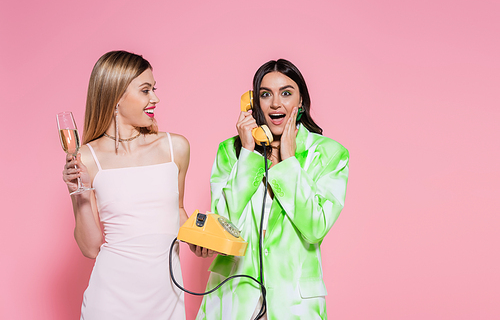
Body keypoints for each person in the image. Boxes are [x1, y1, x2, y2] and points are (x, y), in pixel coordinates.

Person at [194, 59, 349, 320]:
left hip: (295, 304)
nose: (275, 103)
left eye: (286, 93)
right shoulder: (231, 152)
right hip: (233, 297)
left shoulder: (330, 154)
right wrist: (247, 154)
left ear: (300, 101)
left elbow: (315, 228)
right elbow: (224, 225)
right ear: (254, 103)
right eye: (266, 94)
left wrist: (288, 162)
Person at [62, 50, 188, 319]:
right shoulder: (86, 158)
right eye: (145, 90)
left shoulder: (175, 147)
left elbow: (177, 211)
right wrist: (79, 191)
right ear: (116, 97)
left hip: (167, 298)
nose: (155, 98)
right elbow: (90, 247)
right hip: (110, 301)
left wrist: (203, 241)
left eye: (153, 89)